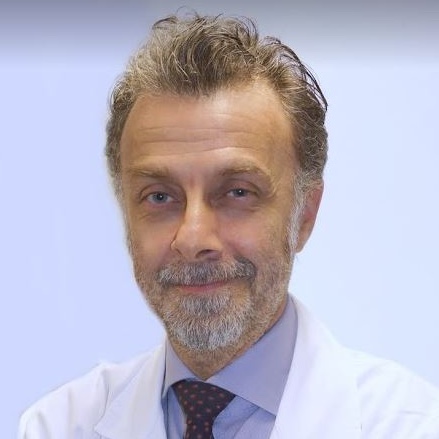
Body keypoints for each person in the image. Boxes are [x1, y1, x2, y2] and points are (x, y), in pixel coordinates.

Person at [19, 12, 439, 439]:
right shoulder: (56, 426)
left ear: (305, 214)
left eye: (237, 192)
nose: (193, 239)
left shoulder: (413, 426)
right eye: (159, 197)